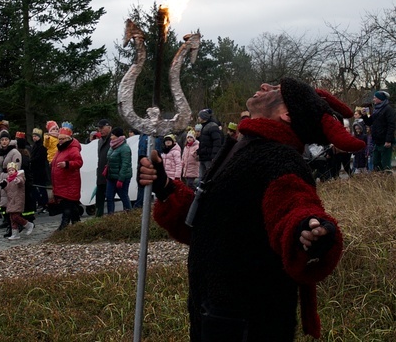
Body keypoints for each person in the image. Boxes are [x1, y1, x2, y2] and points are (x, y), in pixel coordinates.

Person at [139, 78, 366, 342]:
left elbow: (293, 205)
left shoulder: (280, 158)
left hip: (245, 321)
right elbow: (211, 219)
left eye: (278, 91)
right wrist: (165, 186)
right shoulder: (243, 147)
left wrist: (306, 229)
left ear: (287, 115)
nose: (266, 85)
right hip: (214, 311)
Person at [51, 123, 83, 230]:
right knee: (71, 207)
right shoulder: (61, 149)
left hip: (70, 184)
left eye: (62, 139)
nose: (59, 141)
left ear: (68, 138)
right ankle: (77, 225)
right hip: (62, 184)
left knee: (67, 207)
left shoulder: (73, 149)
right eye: (59, 139)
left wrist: (67, 164)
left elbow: (79, 162)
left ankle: (63, 228)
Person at [361, 90, 396, 171]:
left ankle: (388, 180)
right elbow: (370, 122)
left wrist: (388, 140)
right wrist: (364, 116)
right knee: (376, 162)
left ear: (380, 99)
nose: (373, 99)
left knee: (385, 164)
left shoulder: (388, 110)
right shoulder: (376, 110)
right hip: (377, 140)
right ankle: (379, 180)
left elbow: (391, 126)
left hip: (385, 141)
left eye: (375, 98)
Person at [0, 130, 22, 236]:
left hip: (10, 180)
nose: (4, 142)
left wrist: (10, 179)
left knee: (11, 205)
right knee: (4, 205)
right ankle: (9, 225)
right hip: (2, 179)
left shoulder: (14, 152)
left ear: (9, 141)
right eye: (2, 140)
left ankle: (15, 227)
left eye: (6, 139)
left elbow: (17, 167)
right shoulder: (0, 153)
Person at [1, 161, 34, 240]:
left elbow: (21, 182)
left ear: (15, 170)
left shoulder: (19, 176)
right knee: (12, 217)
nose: (10, 172)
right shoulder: (8, 180)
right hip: (11, 200)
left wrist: (18, 181)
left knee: (15, 216)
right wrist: (4, 186)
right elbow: (8, 190)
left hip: (18, 199)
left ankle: (28, 224)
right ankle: (15, 233)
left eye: (12, 170)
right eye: (9, 170)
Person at [106, 127, 132, 214]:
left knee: (123, 195)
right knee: (109, 196)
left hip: (122, 177)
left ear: (117, 136)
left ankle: (130, 213)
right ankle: (110, 215)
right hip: (111, 176)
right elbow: (110, 159)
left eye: (112, 135)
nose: (111, 137)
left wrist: (121, 179)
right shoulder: (112, 146)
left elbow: (125, 164)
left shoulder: (125, 148)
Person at [196, 108, 223, 182]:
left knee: (209, 177)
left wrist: (214, 155)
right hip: (203, 156)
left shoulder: (212, 126)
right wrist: (199, 152)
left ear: (203, 117)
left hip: (209, 157)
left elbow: (217, 141)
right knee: (201, 178)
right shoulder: (204, 127)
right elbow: (203, 143)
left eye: (199, 116)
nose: (198, 118)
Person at [95, 118, 112, 217]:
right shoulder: (100, 141)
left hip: (111, 172)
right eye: (99, 128)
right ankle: (98, 216)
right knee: (99, 195)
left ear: (109, 127)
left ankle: (111, 216)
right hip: (101, 171)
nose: (100, 130)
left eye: (102, 128)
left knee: (111, 196)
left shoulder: (114, 139)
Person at [30, 128, 49, 213]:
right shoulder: (35, 146)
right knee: (36, 187)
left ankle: (44, 204)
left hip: (40, 170)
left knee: (41, 188)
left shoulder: (41, 146)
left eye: (35, 136)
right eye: (33, 136)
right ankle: (41, 203)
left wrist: (31, 160)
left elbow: (39, 158)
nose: (34, 138)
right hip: (35, 170)